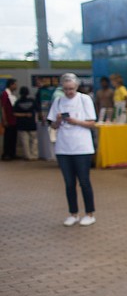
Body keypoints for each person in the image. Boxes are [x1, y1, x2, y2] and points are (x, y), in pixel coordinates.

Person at [46, 73, 99, 227]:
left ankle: (89, 213)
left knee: (84, 181)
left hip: (82, 147)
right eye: (66, 89)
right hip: (63, 147)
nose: (69, 92)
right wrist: (58, 120)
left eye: (72, 88)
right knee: (69, 183)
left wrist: (75, 121)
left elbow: (91, 123)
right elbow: (53, 126)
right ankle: (73, 213)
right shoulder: (58, 101)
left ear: (76, 87)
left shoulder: (84, 99)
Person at [13, 86, 40, 160]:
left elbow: (14, 113)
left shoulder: (18, 102)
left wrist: (24, 115)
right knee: (34, 140)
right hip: (32, 123)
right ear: (28, 92)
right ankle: (34, 155)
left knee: (25, 141)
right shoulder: (32, 101)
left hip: (21, 124)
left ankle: (27, 156)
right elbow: (38, 110)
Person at [1, 78, 18, 161]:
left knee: (13, 137)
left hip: (14, 119)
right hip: (8, 120)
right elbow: (3, 107)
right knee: (8, 137)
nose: (16, 86)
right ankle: (6, 154)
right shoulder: (5, 94)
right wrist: (4, 120)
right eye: (15, 84)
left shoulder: (12, 95)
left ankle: (12, 153)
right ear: (11, 85)